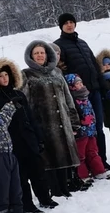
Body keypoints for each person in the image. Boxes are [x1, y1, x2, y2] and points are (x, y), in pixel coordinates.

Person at [0, 58, 55, 213]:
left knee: (38, 171)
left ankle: (45, 198)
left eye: (6, 75)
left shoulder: (19, 94)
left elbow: (30, 117)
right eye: (0, 76)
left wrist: (39, 138)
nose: (4, 79)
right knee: (21, 177)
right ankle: (27, 205)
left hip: (29, 139)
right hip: (12, 143)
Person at [54, 13, 110, 170]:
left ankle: (101, 161)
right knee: (83, 132)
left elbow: (95, 66)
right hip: (77, 96)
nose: (69, 25)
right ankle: (85, 166)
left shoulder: (82, 43)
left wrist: (103, 87)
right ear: (61, 26)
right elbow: (60, 71)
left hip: (94, 91)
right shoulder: (58, 46)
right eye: (66, 23)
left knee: (97, 128)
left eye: (72, 22)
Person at [21, 40, 82, 196]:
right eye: (36, 53)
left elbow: (68, 98)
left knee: (63, 155)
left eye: (42, 52)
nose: (40, 55)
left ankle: (65, 187)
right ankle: (54, 190)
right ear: (31, 56)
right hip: (43, 123)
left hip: (62, 120)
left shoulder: (57, 72)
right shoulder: (26, 74)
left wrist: (74, 121)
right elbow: (24, 101)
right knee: (49, 158)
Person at [64, 74, 110, 184]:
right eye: (77, 83)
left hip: (90, 130)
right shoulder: (72, 99)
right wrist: (76, 125)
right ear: (71, 86)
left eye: (81, 82)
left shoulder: (86, 96)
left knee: (93, 151)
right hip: (80, 132)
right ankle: (83, 175)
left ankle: (99, 171)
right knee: (81, 155)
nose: (80, 85)